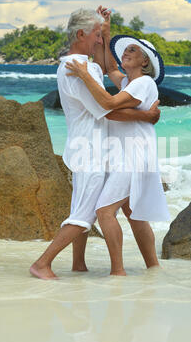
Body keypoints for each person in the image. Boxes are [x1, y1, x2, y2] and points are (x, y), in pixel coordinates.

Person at [30, 7, 160, 280]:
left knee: (93, 208)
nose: (101, 42)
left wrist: (106, 30)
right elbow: (108, 107)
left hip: (92, 149)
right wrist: (148, 115)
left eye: (102, 36)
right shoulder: (80, 68)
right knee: (88, 212)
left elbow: (105, 69)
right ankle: (43, 264)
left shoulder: (75, 66)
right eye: (97, 36)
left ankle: (80, 264)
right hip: (91, 150)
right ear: (81, 34)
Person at [65, 18, 171, 276]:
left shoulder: (144, 84)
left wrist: (82, 75)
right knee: (133, 213)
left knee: (104, 211)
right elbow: (108, 65)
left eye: (132, 50)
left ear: (145, 62)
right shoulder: (128, 82)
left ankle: (118, 272)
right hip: (125, 155)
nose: (126, 52)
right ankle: (153, 268)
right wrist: (107, 31)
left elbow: (109, 106)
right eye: (126, 49)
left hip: (133, 156)